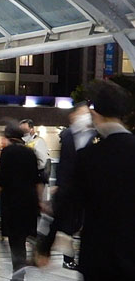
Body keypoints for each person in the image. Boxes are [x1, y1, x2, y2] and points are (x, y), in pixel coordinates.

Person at [37, 79, 135, 281]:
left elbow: (66, 204)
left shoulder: (89, 156)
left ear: (95, 113)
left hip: (95, 255)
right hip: (132, 255)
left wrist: (44, 245)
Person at [0, 121, 43, 281]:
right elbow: (38, 180)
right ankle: (22, 272)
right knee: (25, 237)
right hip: (30, 201)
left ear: (8, 137)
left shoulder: (8, 152)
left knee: (16, 242)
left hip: (13, 202)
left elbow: (0, 179)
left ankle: (18, 279)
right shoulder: (30, 152)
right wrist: (41, 201)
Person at [45, 103, 96, 270]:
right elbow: (64, 164)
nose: (85, 116)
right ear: (74, 115)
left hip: (85, 191)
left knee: (77, 224)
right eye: (82, 112)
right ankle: (67, 257)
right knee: (67, 223)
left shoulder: (93, 136)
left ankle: (70, 255)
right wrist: (60, 185)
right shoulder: (67, 135)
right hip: (68, 190)